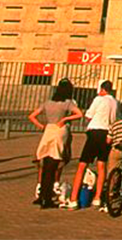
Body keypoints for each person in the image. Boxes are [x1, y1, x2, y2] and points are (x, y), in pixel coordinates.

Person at [28, 78, 83, 208]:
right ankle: (48, 197)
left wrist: (41, 126)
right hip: (60, 130)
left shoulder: (48, 103)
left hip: (48, 130)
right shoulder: (67, 103)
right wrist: (65, 119)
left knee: (45, 163)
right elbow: (79, 114)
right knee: (55, 162)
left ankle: (42, 194)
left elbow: (31, 116)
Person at [64, 80, 118, 211]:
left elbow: (88, 115)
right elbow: (114, 118)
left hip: (94, 132)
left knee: (82, 165)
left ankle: (74, 199)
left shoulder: (99, 99)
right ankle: (98, 197)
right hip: (107, 133)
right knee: (101, 165)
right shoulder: (115, 102)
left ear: (102, 89)